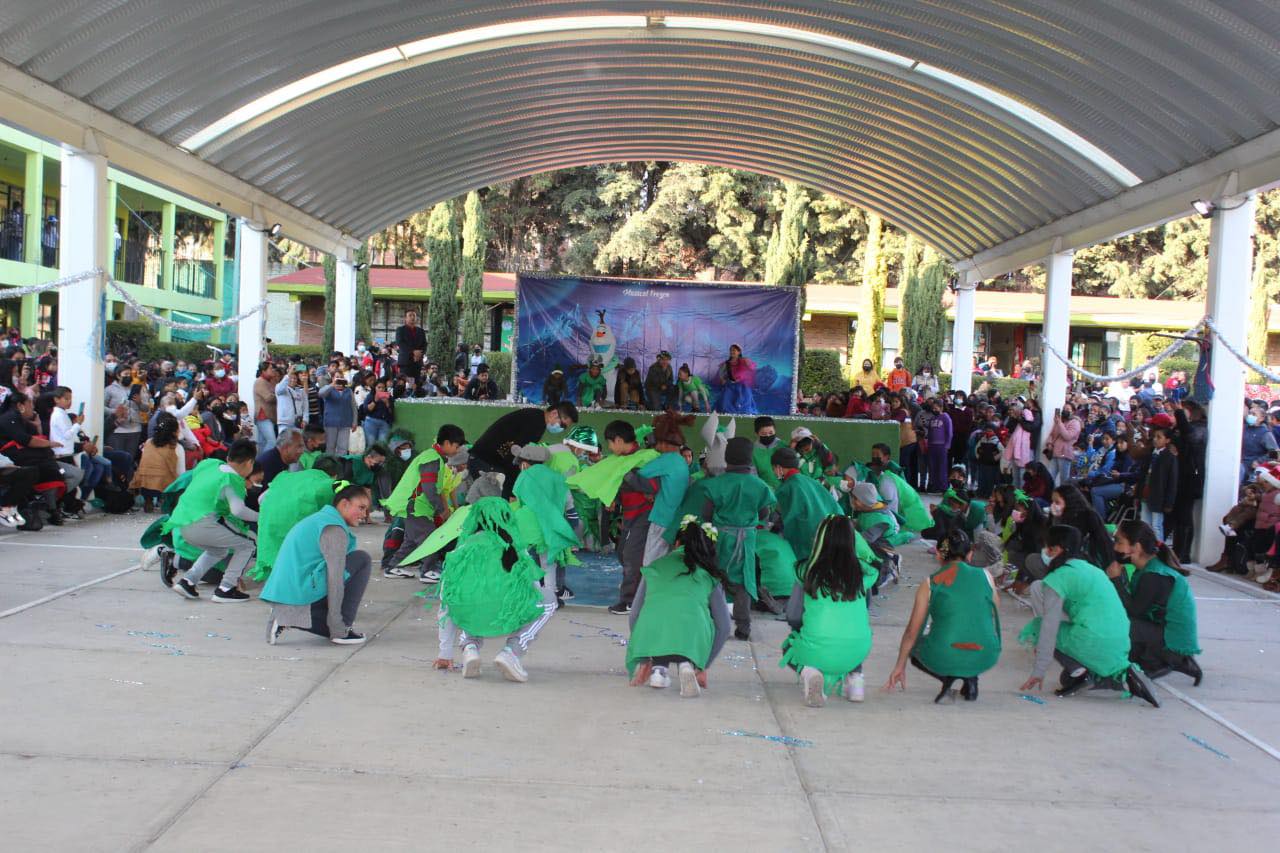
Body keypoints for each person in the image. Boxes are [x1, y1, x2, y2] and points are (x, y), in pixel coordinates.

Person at [1018, 525, 1159, 706]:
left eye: (1048, 547)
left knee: (1038, 627)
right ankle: (1111, 674)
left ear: (1058, 549)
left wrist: (1039, 671)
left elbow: (1049, 628)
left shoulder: (1058, 577)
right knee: (1066, 677)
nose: (1044, 552)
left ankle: (1081, 671)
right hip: (1122, 639)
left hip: (1095, 638)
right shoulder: (1091, 569)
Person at [434, 497, 558, 682]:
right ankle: (512, 651)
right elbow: (532, 590)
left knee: (467, 602)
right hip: (506, 613)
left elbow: (446, 601)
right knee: (548, 601)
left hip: (472, 615)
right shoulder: (516, 548)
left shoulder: (459, 551)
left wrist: (445, 652)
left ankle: (469, 647)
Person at [884, 528, 1001, 702]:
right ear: (970, 555)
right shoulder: (986, 576)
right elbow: (993, 612)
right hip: (986, 653)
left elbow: (912, 632)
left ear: (939, 554)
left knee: (915, 648)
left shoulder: (931, 583)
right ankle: (971, 679)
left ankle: (947, 681)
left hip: (945, 653)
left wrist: (899, 666)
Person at [626, 518, 733, 697]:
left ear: (676, 544)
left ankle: (658, 670)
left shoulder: (655, 566)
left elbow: (634, 615)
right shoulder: (708, 575)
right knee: (694, 619)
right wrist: (704, 665)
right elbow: (724, 627)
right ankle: (688, 664)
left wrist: (644, 658)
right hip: (691, 635)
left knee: (660, 617)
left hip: (654, 633)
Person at [781, 515, 877, 707]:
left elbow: (793, 615)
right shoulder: (863, 573)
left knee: (788, 648)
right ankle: (856, 680)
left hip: (819, 647)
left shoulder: (806, 570)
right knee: (850, 630)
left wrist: (801, 629)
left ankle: (811, 673)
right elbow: (863, 611)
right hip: (858, 650)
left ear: (820, 538)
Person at [263, 483, 373, 645]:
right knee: (362, 559)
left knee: (350, 561)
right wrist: (337, 628)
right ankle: (340, 629)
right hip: (298, 590)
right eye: (361, 507)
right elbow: (335, 580)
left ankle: (287, 615)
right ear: (344, 504)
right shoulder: (333, 528)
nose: (364, 514)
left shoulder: (321, 519)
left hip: (288, 591)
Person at [695, 436, 777, 639]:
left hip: (721, 538)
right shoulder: (759, 485)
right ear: (750, 459)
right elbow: (765, 513)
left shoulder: (716, 484)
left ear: (726, 457)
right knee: (744, 583)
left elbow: (706, 514)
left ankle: (713, 622)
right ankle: (743, 627)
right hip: (747, 539)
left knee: (716, 578)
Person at [165, 439, 259, 603]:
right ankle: (226, 588)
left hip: (183, 524)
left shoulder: (209, 465)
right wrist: (262, 517)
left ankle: (188, 581)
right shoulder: (232, 478)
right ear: (249, 463)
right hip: (204, 524)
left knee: (218, 550)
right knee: (249, 542)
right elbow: (238, 510)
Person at [1107, 520, 1202, 684]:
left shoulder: (1154, 575)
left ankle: (1166, 661)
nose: (1115, 548)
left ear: (1135, 547)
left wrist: (1115, 579)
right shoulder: (1148, 567)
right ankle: (1160, 660)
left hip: (1172, 640)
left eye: (1119, 542)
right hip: (1161, 630)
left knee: (1120, 624)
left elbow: (1134, 611)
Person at [382, 424, 466, 582]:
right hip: (414, 505)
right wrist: (441, 509)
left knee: (411, 541)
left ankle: (393, 567)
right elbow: (429, 488)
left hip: (415, 506)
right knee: (430, 538)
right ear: (447, 443)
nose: (457, 450)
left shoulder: (435, 457)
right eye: (456, 446)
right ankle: (428, 570)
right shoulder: (431, 458)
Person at [251, 459, 341, 583]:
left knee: (277, 556)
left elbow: (261, 499)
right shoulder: (328, 484)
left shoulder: (287, 477)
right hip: (296, 526)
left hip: (270, 523)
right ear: (334, 475)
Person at [468, 403, 577, 500]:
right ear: (554, 413)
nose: (561, 429)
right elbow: (516, 457)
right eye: (562, 425)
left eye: (564, 428)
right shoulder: (536, 424)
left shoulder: (535, 417)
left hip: (484, 460)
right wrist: (512, 491)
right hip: (485, 462)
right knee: (496, 509)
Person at [637, 412, 695, 565]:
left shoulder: (666, 459)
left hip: (662, 519)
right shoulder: (680, 461)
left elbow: (639, 472)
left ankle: (648, 589)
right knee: (668, 562)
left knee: (651, 562)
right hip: (675, 519)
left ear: (662, 442)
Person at [131, 412, 183, 512]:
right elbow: (181, 472)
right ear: (174, 432)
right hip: (164, 484)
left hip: (144, 482)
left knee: (151, 471)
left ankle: (148, 501)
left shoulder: (148, 442)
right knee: (179, 482)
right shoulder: (176, 447)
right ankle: (166, 502)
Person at [1139, 427, 1178, 541]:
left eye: (1159, 437)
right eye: (1154, 437)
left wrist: (1169, 503)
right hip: (1146, 493)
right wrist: (1138, 494)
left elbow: (1172, 482)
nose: (1155, 439)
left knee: (1156, 526)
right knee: (1145, 524)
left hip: (1158, 497)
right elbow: (1142, 475)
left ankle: (1158, 551)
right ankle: (1145, 548)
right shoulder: (1150, 455)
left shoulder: (1170, 458)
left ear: (1167, 440)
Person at [715, 344, 757, 414]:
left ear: (739, 352)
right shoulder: (727, 363)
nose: (732, 352)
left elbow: (752, 368)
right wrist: (722, 379)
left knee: (745, 399)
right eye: (730, 350)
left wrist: (748, 363)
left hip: (743, 385)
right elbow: (721, 372)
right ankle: (728, 412)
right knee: (725, 401)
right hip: (730, 385)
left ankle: (744, 412)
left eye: (734, 350)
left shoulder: (744, 360)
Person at [923, 397, 952, 493]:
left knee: (942, 467)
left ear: (941, 407)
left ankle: (943, 486)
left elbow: (949, 432)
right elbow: (930, 432)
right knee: (932, 467)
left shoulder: (945, 417)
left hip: (942, 446)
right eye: (933, 408)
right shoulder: (932, 418)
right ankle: (934, 486)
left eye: (936, 408)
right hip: (932, 446)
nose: (934, 410)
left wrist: (947, 445)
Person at [252, 362, 279, 451]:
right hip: (263, 416)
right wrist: (279, 396)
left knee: (263, 443)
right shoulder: (259, 382)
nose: (273, 370)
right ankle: (264, 461)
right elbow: (268, 398)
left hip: (270, 416)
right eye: (270, 369)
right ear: (263, 371)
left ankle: (259, 463)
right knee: (272, 441)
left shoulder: (271, 381)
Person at [275, 364, 308, 435]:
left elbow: (305, 407)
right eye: (291, 378)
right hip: (284, 423)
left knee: (297, 445)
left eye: (295, 378)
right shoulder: (281, 389)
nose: (293, 380)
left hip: (297, 424)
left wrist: (305, 420)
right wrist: (289, 373)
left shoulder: (301, 391)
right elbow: (279, 389)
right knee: (284, 444)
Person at [395, 309, 426, 382]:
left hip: (418, 362)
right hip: (405, 362)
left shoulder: (421, 331)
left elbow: (424, 344)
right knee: (406, 384)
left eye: (414, 316)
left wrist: (420, 354)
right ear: (405, 318)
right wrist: (413, 352)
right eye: (410, 315)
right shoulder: (400, 330)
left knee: (417, 383)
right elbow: (400, 343)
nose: (412, 317)